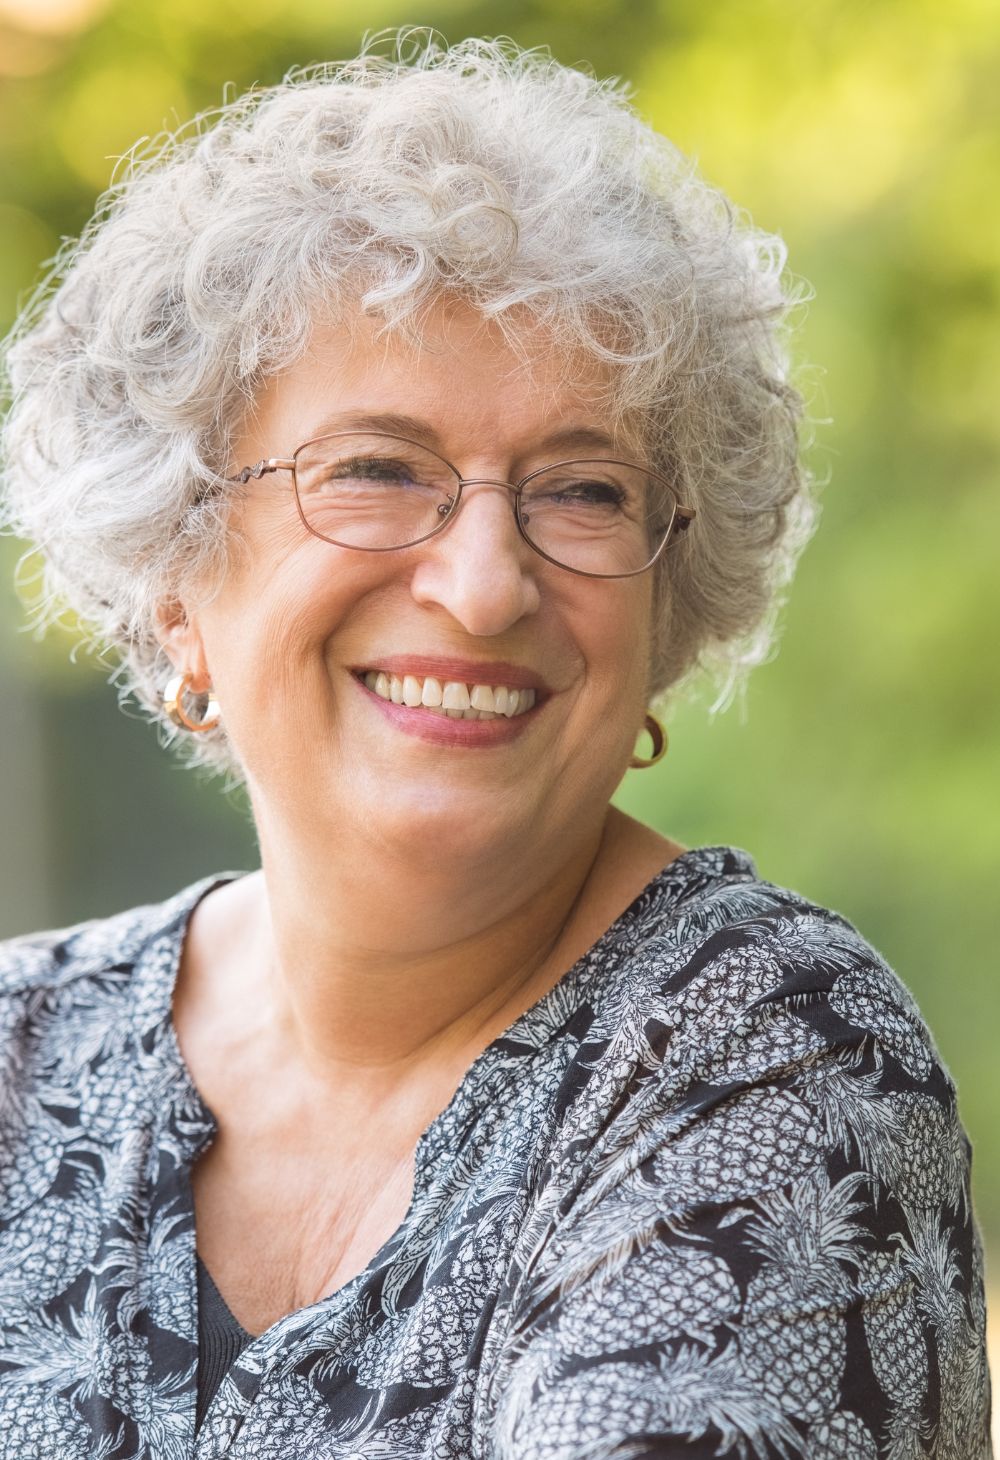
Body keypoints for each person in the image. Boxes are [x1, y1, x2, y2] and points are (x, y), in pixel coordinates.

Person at [0, 32, 991, 1460]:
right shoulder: (23, 1052)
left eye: (582, 490)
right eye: (379, 470)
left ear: (666, 620)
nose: (484, 583)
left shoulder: (773, 1063)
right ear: (181, 575)